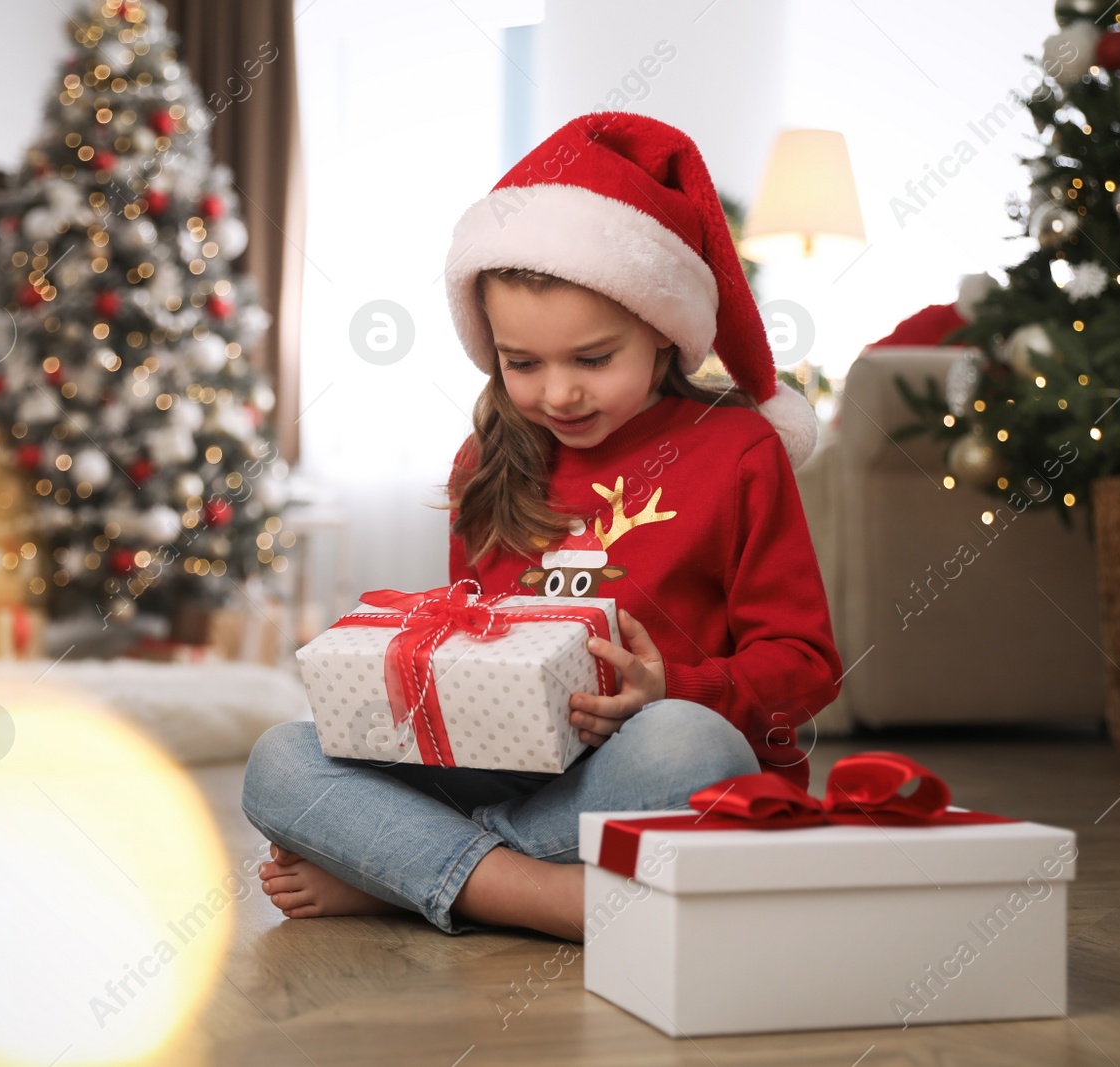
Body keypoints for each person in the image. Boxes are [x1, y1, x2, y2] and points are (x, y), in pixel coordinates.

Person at [241, 112, 843, 941]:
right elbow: (474, 648)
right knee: (280, 760)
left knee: (692, 748)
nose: (557, 394)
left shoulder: (737, 450)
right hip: (517, 777)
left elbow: (806, 667)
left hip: (647, 768)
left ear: (663, 333)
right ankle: (536, 887)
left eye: (593, 359)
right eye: (522, 364)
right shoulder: (485, 459)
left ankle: (416, 875)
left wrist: (673, 688)